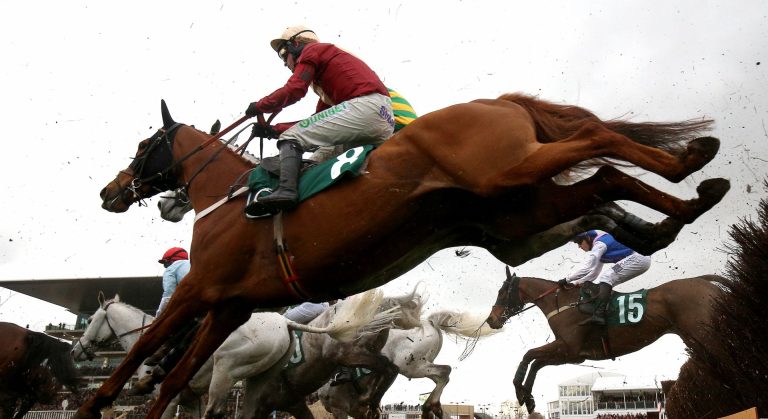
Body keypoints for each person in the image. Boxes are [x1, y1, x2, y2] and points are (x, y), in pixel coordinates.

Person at [244, 25, 395, 211]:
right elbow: (317, 120)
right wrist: (273, 130)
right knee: (317, 160)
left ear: (296, 44)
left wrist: (260, 105)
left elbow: (295, 89)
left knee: (291, 138)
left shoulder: (311, 51)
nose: (285, 62)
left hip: (364, 108)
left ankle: (286, 191)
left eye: (284, 54)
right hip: (382, 117)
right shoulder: (325, 77)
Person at [130, 247, 193, 395]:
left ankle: (162, 353)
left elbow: (168, 296)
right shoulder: (194, 264)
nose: (165, 267)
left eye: (165, 263)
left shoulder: (172, 269)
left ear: (171, 261)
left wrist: (158, 319)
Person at [559, 230, 651, 326]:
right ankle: (608, 311)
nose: (579, 246)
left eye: (579, 242)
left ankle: (599, 315)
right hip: (639, 259)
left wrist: (567, 279)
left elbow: (587, 268)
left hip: (638, 258)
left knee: (607, 277)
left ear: (588, 238)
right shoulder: (599, 244)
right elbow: (594, 273)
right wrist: (576, 283)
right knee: (605, 282)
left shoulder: (600, 245)